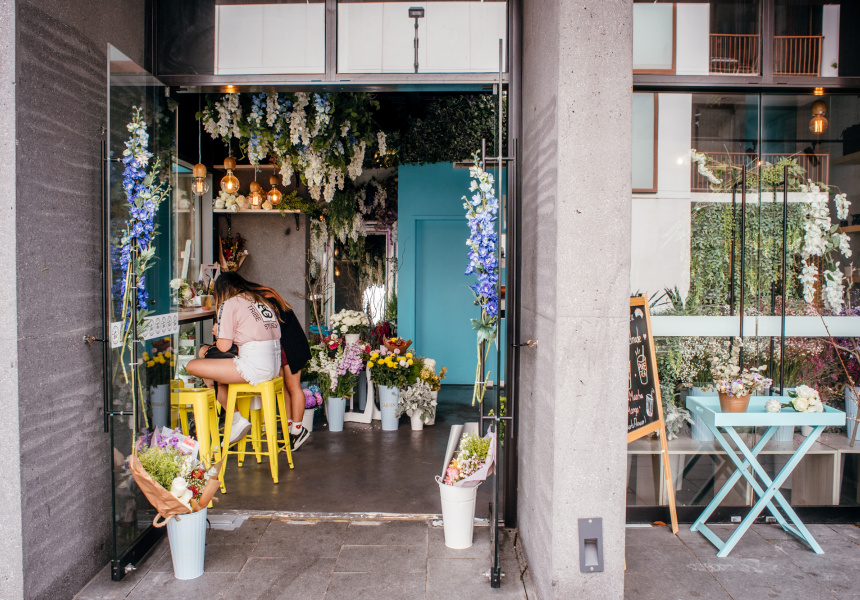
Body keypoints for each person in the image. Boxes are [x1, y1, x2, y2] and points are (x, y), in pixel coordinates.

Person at [186, 272, 282, 446]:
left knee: (193, 365)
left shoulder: (231, 303)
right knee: (211, 367)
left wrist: (219, 331)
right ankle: (235, 418)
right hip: (273, 365)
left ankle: (236, 418)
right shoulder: (261, 301)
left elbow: (223, 346)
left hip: (254, 366)